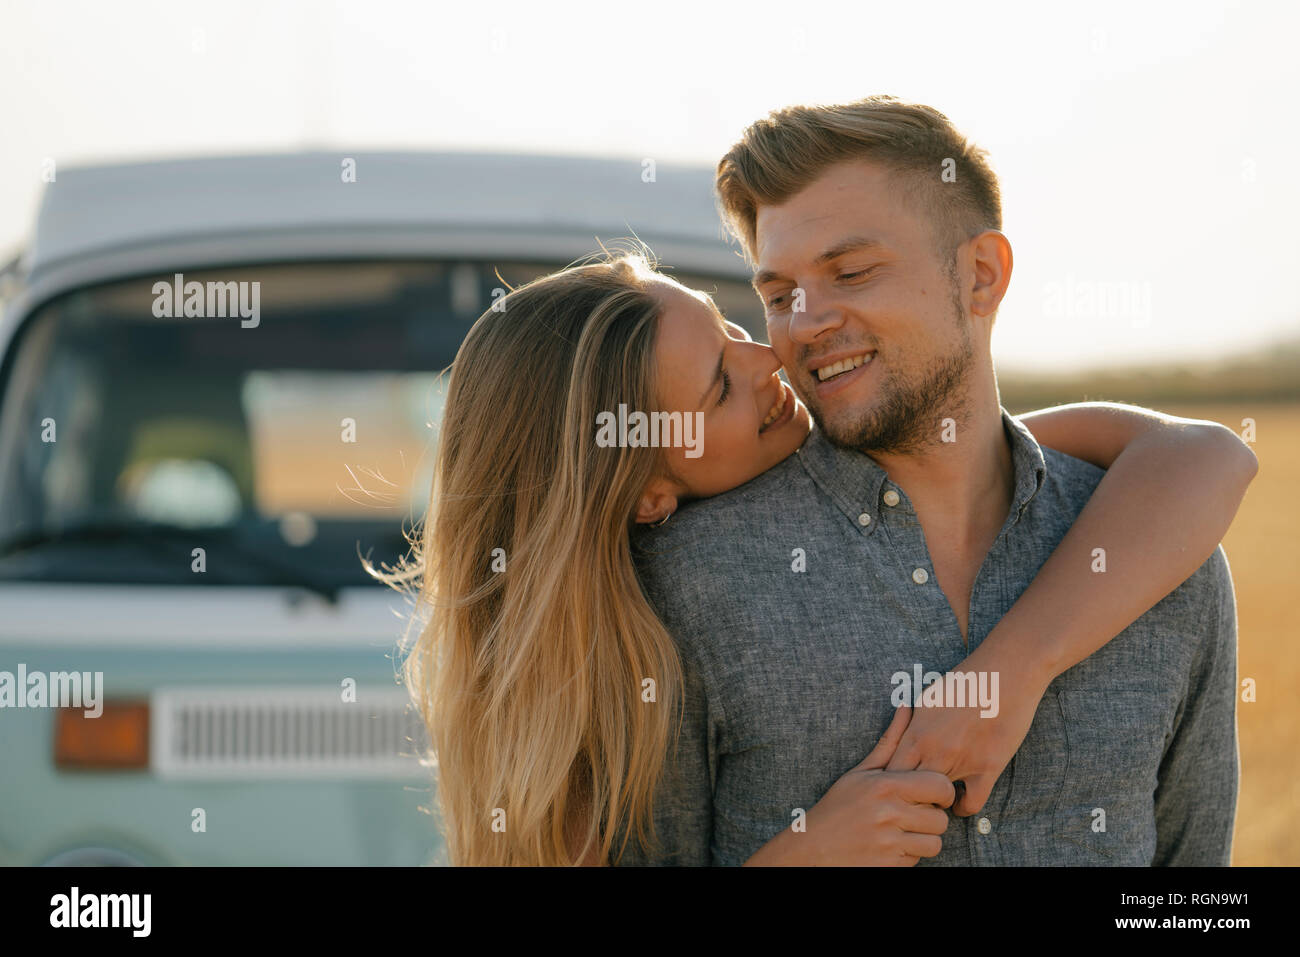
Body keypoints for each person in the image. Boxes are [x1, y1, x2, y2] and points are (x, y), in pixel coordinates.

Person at [381, 236, 1254, 865]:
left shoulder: (869, 466)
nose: (769, 361)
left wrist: (1012, 672)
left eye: (731, 330)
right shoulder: (635, 642)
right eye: (721, 385)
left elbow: (1204, 456)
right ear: (645, 492)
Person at [615, 96, 1248, 866]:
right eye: (779, 296)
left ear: (980, 275)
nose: (805, 323)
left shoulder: (1166, 565)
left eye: (850, 271)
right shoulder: (684, 583)